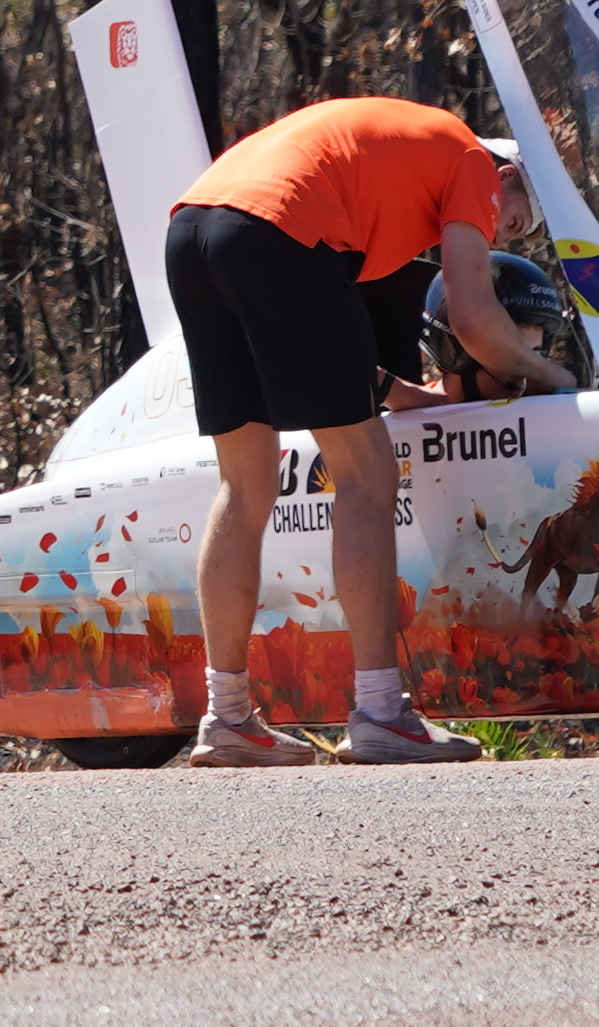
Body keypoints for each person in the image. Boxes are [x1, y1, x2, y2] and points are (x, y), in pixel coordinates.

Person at [162, 80, 562, 766]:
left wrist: (410, 396)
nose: (500, 235)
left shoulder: (396, 173)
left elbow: (348, 370)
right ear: (506, 178)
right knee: (369, 476)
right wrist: (551, 378)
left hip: (196, 229)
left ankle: (226, 717)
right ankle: (381, 713)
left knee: (245, 485)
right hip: (279, 232)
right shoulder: (472, 161)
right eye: (516, 221)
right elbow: (473, 317)